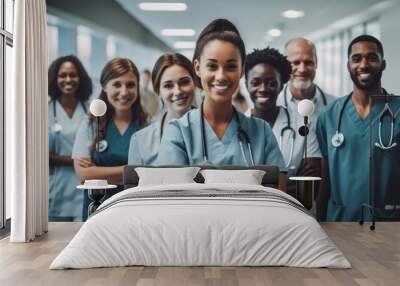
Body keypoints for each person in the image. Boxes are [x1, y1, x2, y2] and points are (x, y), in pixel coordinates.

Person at [157, 19, 286, 189]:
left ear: (242, 70)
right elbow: (170, 198)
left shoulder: (261, 132)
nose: (221, 76)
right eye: (212, 66)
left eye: (231, 67)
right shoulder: (178, 132)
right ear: (197, 68)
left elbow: (279, 195)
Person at [316, 35, 400, 221]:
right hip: (339, 223)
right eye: (356, 58)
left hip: (389, 225)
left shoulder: (397, 111)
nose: (363, 65)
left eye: (372, 57)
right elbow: (325, 177)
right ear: (348, 65)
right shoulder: (328, 115)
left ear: (383, 64)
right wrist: (319, 222)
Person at [72, 58, 148, 220]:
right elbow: (84, 175)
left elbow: (154, 173)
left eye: (130, 85)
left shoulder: (148, 126)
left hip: (136, 211)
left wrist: (99, 172)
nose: (124, 92)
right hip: (97, 210)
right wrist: (135, 170)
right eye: (117, 84)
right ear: (104, 87)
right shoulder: (89, 125)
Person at [245, 47, 319, 196]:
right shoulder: (236, 126)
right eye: (255, 82)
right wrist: (289, 185)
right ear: (246, 83)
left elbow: (310, 182)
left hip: (292, 210)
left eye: (271, 83)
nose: (263, 89)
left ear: (282, 85)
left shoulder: (303, 124)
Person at [128, 53, 196, 165]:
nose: (178, 91)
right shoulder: (140, 141)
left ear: (194, 82)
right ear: (158, 91)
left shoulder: (213, 131)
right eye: (168, 86)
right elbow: (133, 182)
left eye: (184, 82)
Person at [48, 55, 92, 221]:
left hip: (85, 185)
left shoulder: (91, 109)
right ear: (55, 78)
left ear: (80, 78)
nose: (68, 79)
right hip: (57, 188)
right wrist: (76, 160)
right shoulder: (44, 110)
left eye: (73, 75)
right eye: (63, 75)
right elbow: (37, 154)